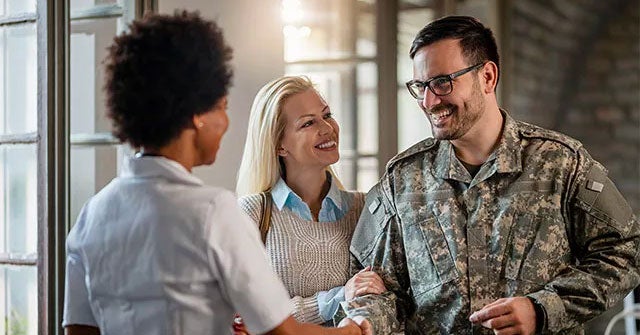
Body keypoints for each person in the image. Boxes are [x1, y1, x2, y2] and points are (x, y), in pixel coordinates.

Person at [62, 11, 368, 335]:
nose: (226, 122)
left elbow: (78, 330)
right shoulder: (213, 211)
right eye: (221, 106)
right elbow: (282, 332)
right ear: (197, 115)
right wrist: (350, 331)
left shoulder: (92, 214)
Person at [342, 15, 640, 335]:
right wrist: (364, 321)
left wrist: (543, 309)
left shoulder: (562, 163)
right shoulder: (401, 180)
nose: (429, 101)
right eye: (420, 86)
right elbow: (375, 285)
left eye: (442, 82)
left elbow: (625, 252)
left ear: (487, 76)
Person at [233, 76, 386, 334]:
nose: (327, 128)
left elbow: (380, 299)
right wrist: (336, 298)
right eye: (308, 123)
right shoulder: (252, 212)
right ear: (279, 145)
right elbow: (246, 316)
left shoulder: (366, 209)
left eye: (327, 115)